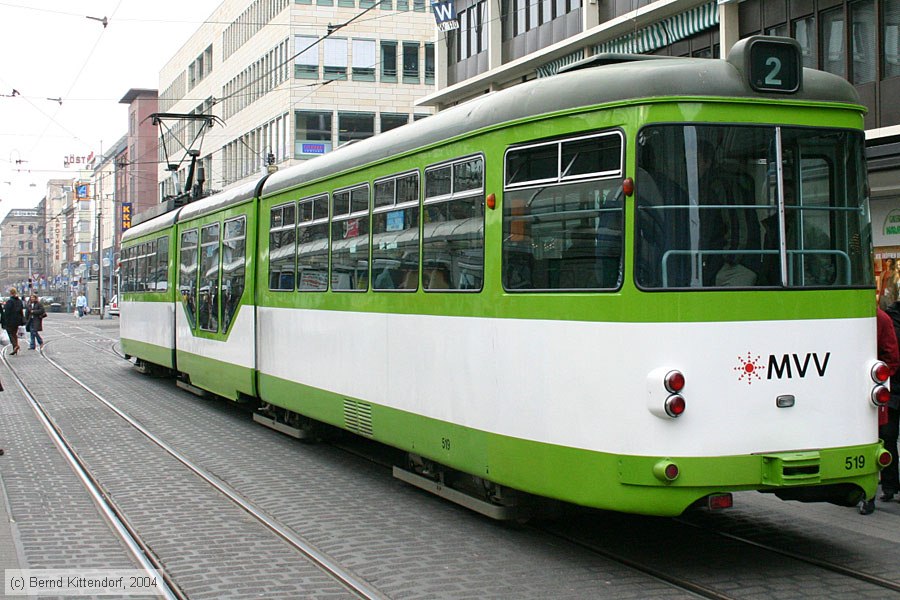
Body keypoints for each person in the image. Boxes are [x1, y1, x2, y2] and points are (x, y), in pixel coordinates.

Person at [869, 303, 900, 514]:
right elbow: (892, 356)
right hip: (890, 388)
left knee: (886, 437)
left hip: (889, 389)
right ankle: (887, 486)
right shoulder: (884, 318)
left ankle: (887, 487)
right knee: (886, 437)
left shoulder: (883, 317)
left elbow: (891, 356)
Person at [1, 288, 25, 355]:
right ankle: (15, 348)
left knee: (10, 333)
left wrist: (5, 320)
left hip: (11, 321)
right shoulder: (19, 301)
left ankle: (15, 345)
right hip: (18, 321)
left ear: (10, 293)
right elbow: (21, 310)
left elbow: (7, 312)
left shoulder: (10, 301)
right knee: (14, 334)